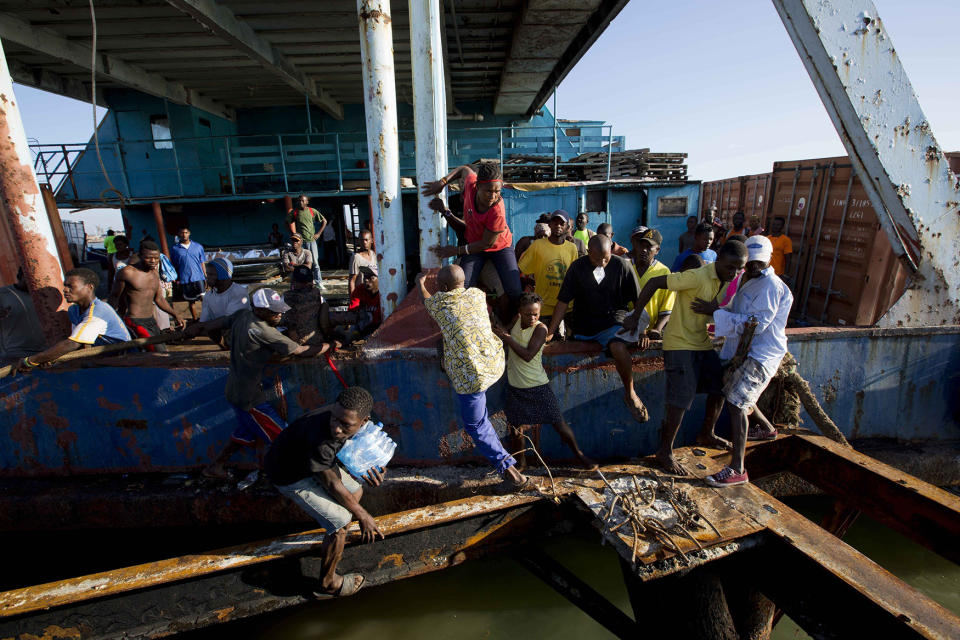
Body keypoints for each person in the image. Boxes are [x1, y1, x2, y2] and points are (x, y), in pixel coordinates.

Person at [183, 288, 337, 479]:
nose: (279, 315)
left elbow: (218, 322)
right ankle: (289, 475)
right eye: (274, 312)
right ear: (259, 310)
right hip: (250, 398)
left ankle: (216, 466)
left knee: (246, 431)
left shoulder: (242, 315)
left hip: (234, 390)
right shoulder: (264, 332)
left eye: (280, 310)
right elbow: (300, 350)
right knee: (284, 437)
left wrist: (198, 327)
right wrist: (329, 346)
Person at [629, 241, 749, 474]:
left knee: (721, 385)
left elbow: (716, 306)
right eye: (730, 266)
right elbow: (655, 282)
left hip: (701, 343)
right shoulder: (696, 276)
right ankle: (665, 451)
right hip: (679, 344)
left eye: (739, 268)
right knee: (681, 399)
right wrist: (635, 315)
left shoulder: (727, 281)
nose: (734, 272)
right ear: (719, 259)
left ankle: (707, 432)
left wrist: (713, 310)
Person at [417, 266, 531, 491]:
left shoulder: (441, 303)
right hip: (494, 363)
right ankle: (511, 466)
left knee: (475, 425)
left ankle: (511, 474)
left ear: (445, 288)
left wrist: (420, 283)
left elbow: (426, 300)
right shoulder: (477, 295)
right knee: (482, 417)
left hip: (472, 375)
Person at [264, 387, 385, 598]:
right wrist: (363, 515)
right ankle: (328, 582)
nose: (337, 428)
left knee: (355, 491)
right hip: (291, 475)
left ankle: (331, 536)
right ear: (333, 409)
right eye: (335, 419)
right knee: (341, 521)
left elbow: (369, 448)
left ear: (364, 421)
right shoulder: (321, 436)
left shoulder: (352, 419)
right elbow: (332, 484)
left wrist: (376, 469)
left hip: (314, 464)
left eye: (345, 425)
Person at [703, 236, 793, 487]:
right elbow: (736, 309)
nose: (753, 268)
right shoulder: (746, 278)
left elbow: (756, 325)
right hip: (745, 349)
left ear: (767, 261)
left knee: (737, 402)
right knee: (738, 391)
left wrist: (716, 315)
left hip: (762, 352)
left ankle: (738, 468)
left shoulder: (771, 286)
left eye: (758, 264)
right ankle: (765, 428)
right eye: (750, 264)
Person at [546, 235, 648, 422]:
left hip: (612, 323)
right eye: (596, 258)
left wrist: (642, 329)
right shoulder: (577, 267)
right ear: (588, 252)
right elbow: (563, 302)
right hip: (584, 326)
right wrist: (551, 332)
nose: (601, 262)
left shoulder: (622, 266)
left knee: (618, 347)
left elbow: (638, 300)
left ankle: (630, 393)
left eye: (606, 258)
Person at [494, 292, 596, 471]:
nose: (532, 318)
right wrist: (497, 327)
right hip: (516, 385)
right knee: (516, 429)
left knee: (558, 423)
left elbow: (527, 355)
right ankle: (521, 464)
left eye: (536, 314)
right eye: (529, 314)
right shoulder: (517, 319)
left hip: (536, 385)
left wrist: (506, 337)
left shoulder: (540, 329)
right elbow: (506, 330)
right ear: (520, 311)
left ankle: (580, 456)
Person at [421, 162, 522, 303]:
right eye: (488, 191)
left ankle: (514, 323)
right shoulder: (470, 184)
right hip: (475, 245)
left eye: (497, 191)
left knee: (515, 291)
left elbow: (486, 244)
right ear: (478, 185)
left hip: (499, 248)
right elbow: (463, 169)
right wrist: (442, 182)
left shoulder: (497, 211)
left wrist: (457, 250)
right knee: (462, 289)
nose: (493, 196)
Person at [18, 268, 130, 372]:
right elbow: (83, 345)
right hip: (100, 357)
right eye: (65, 286)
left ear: (89, 287)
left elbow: (72, 344)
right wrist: (51, 358)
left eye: (71, 286)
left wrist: (30, 361)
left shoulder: (98, 311)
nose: (65, 290)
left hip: (122, 358)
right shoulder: (73, 310)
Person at [109, 240, 185, 351]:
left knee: (159, 349)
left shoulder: (154, 273)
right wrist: (111, 318)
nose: (153, 261)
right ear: (140, 256)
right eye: (149, 258)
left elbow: (159, 299)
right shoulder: (128, 273)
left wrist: (175, 315)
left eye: (156, 258)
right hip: (135, 321)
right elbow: (114, 296)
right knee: (159, 351)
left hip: (151, 320)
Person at [517, 211, 579, 326]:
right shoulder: (537, 245)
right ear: (549, 224)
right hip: (544, 306)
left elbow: (573, 276)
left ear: (568, 227)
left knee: (569, 341)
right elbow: (522, 269)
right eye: (555, 222)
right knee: (545, 339)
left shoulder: (572, 248)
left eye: (562, 223)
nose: (558, 226)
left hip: (567, 306)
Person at [629, 227, 674, 339]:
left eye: (649, 247)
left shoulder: (663, 272)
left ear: (657, 250)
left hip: (649, 333)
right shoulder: (627, 267)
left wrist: (657, 329)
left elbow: (667, 309)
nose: (644, 250)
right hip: (627, 327)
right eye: (641, 245)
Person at [0, 268, 46, 359]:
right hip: (14, 354)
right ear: (19, 277)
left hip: (44, 352)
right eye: (29, 278)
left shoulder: (45, 295)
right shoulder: (3, 294)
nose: (34, 282)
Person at [283, 265, 331, 345]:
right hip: (316, 339)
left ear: (294, 281)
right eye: (303, 282)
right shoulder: (317, 294)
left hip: (297, 343)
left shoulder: (286, 297)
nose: (305, 284)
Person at [286, 194, 325, 285]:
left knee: (315, 262)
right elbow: (286, 222)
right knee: (301, 263)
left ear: (307, 202)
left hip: (311, 241)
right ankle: (303, 281)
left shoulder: (312, 211)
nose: (301, 202)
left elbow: (324, 221)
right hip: (301, 243)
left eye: (303, 201)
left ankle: (319, 282)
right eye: (299, 201)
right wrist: (292, 233)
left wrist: (318, 234)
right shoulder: (295, 212)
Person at [170, 227, 206, 321]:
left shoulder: (198, 246)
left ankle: (207, 317)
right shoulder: (175, 249)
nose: (184, 235)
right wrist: (176, 278)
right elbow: (174, 265)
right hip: (185, 279)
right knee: (191, 302)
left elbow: (202, 262)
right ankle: (195, 320)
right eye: (182, 233)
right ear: (179, 234)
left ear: (189, 233)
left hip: (199, 277)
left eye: (186, 232)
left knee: (204, 300)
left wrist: (205, 276)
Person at [346, 266, 382, 337]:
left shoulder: (384, 294)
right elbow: (352, 310)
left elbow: (377, 321)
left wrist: (361, 334)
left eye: (371, 277)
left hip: (378, 328)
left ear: (380, 279)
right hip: (362, 326)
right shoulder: (359, 289)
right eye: (365, 277)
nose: (366, 280)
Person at [348, 229, 377, 297]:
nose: (364, 242)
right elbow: (352, 281)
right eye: (361, 240)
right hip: (362, 296)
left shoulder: (373, 255)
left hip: (373, 295)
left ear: (371, 241)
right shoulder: (356, 258)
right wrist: (353, 299)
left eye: (366, 240)